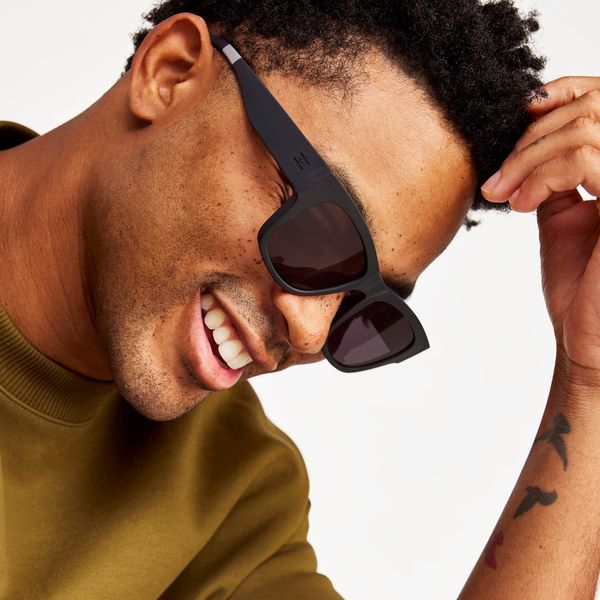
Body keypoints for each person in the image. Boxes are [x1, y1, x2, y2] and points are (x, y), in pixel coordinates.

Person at [0, 0, 598, 598]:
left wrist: (590, 378)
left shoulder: (231, 492)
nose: (311, 332)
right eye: (318, 232)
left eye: (365, 305)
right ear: (170, 73)